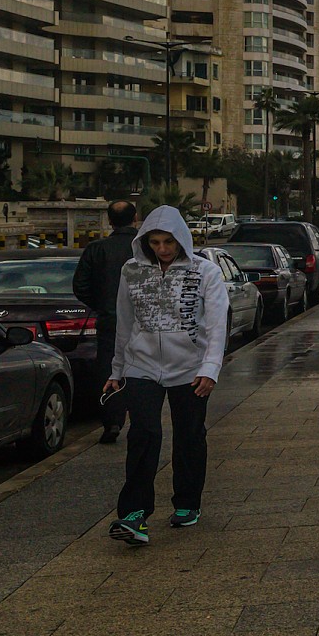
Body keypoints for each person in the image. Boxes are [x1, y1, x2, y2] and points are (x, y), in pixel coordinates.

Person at [103, 205, 229, 546]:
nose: (162, 249)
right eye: (155, 242)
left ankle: (187, 502)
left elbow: (217, 324)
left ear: (181, 239)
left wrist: (210, 368)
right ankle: (133, 514)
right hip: (141, 365)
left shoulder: (205, 272)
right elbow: (124, 323)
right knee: (143, 433)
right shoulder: (131, 271)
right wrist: (117, 370)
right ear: (145, 241)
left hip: (191, 368)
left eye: (168, 242)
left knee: (189, 435)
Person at [70, 199, 138, 445]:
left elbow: (80, 286)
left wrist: (102, 304)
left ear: (109, 221)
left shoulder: (96, 249)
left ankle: (112, 421)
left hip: (111, 320)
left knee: (110, 369)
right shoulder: (146, 248)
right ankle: (141, 415)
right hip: (144, 320)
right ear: (135, 218)